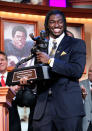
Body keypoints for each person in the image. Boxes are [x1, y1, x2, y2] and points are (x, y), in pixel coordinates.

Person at [20, 9, 86, 131]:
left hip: (68, 109)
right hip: (43, 110)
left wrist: (50, 61)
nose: (56, 25)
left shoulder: (76, 44)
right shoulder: (40, 46)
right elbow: (40, 74)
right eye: (52, 22)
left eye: (60, 22)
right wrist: (31, 83)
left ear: (64, 24)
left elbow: (77, 70)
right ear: (47, 25)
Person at [80, 64, 92, 131]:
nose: (91, 73)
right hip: (85, 125)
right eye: (90, 71)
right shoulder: (80, 85)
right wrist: (83, 98)